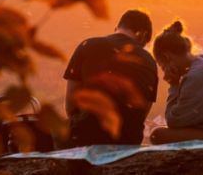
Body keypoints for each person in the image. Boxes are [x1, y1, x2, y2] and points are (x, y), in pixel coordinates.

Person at [63, 9, 158, 146]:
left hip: (86, 136)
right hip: (128, 140)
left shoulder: (87, 45)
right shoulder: (149, 61)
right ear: (143, 36)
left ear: (116, 28)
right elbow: (141, 114)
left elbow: (71, 106)